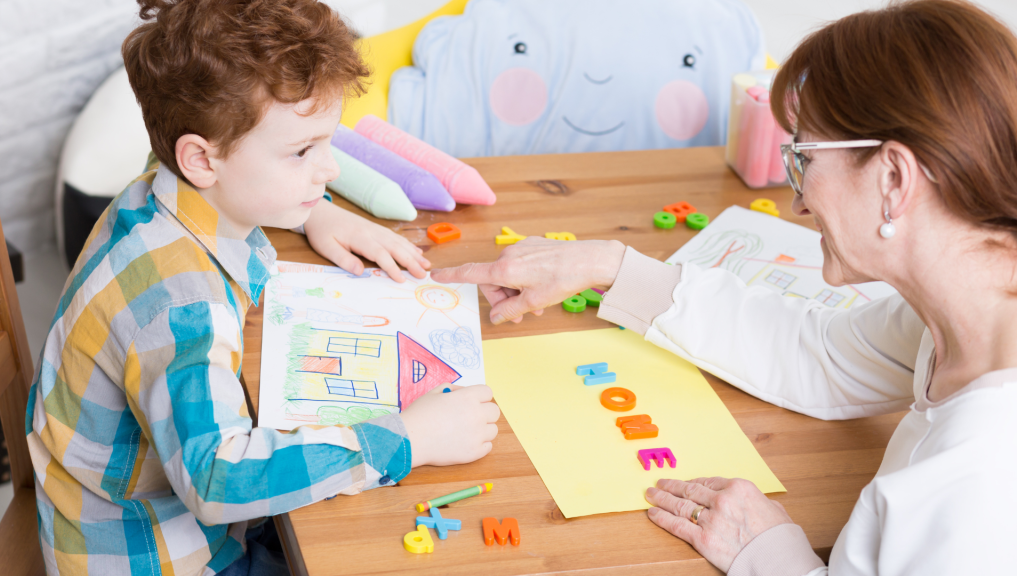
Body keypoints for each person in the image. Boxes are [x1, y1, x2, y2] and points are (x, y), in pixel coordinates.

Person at [432, 1, 1017, 573]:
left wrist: (771, 556)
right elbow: (823, 355)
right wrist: (609, 266)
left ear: (894, 178)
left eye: (804, 158)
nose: (798, 199)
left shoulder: (980, 476)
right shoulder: (966, 307)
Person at [25, 1, 500, 574]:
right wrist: (405, 442)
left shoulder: (163, 182)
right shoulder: (180, 306)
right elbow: (218, 481)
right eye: (303, 151)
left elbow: (233, 172)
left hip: (135, 508)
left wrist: (314, 213)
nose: (328, 170)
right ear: (201, 157)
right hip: (157, 553)